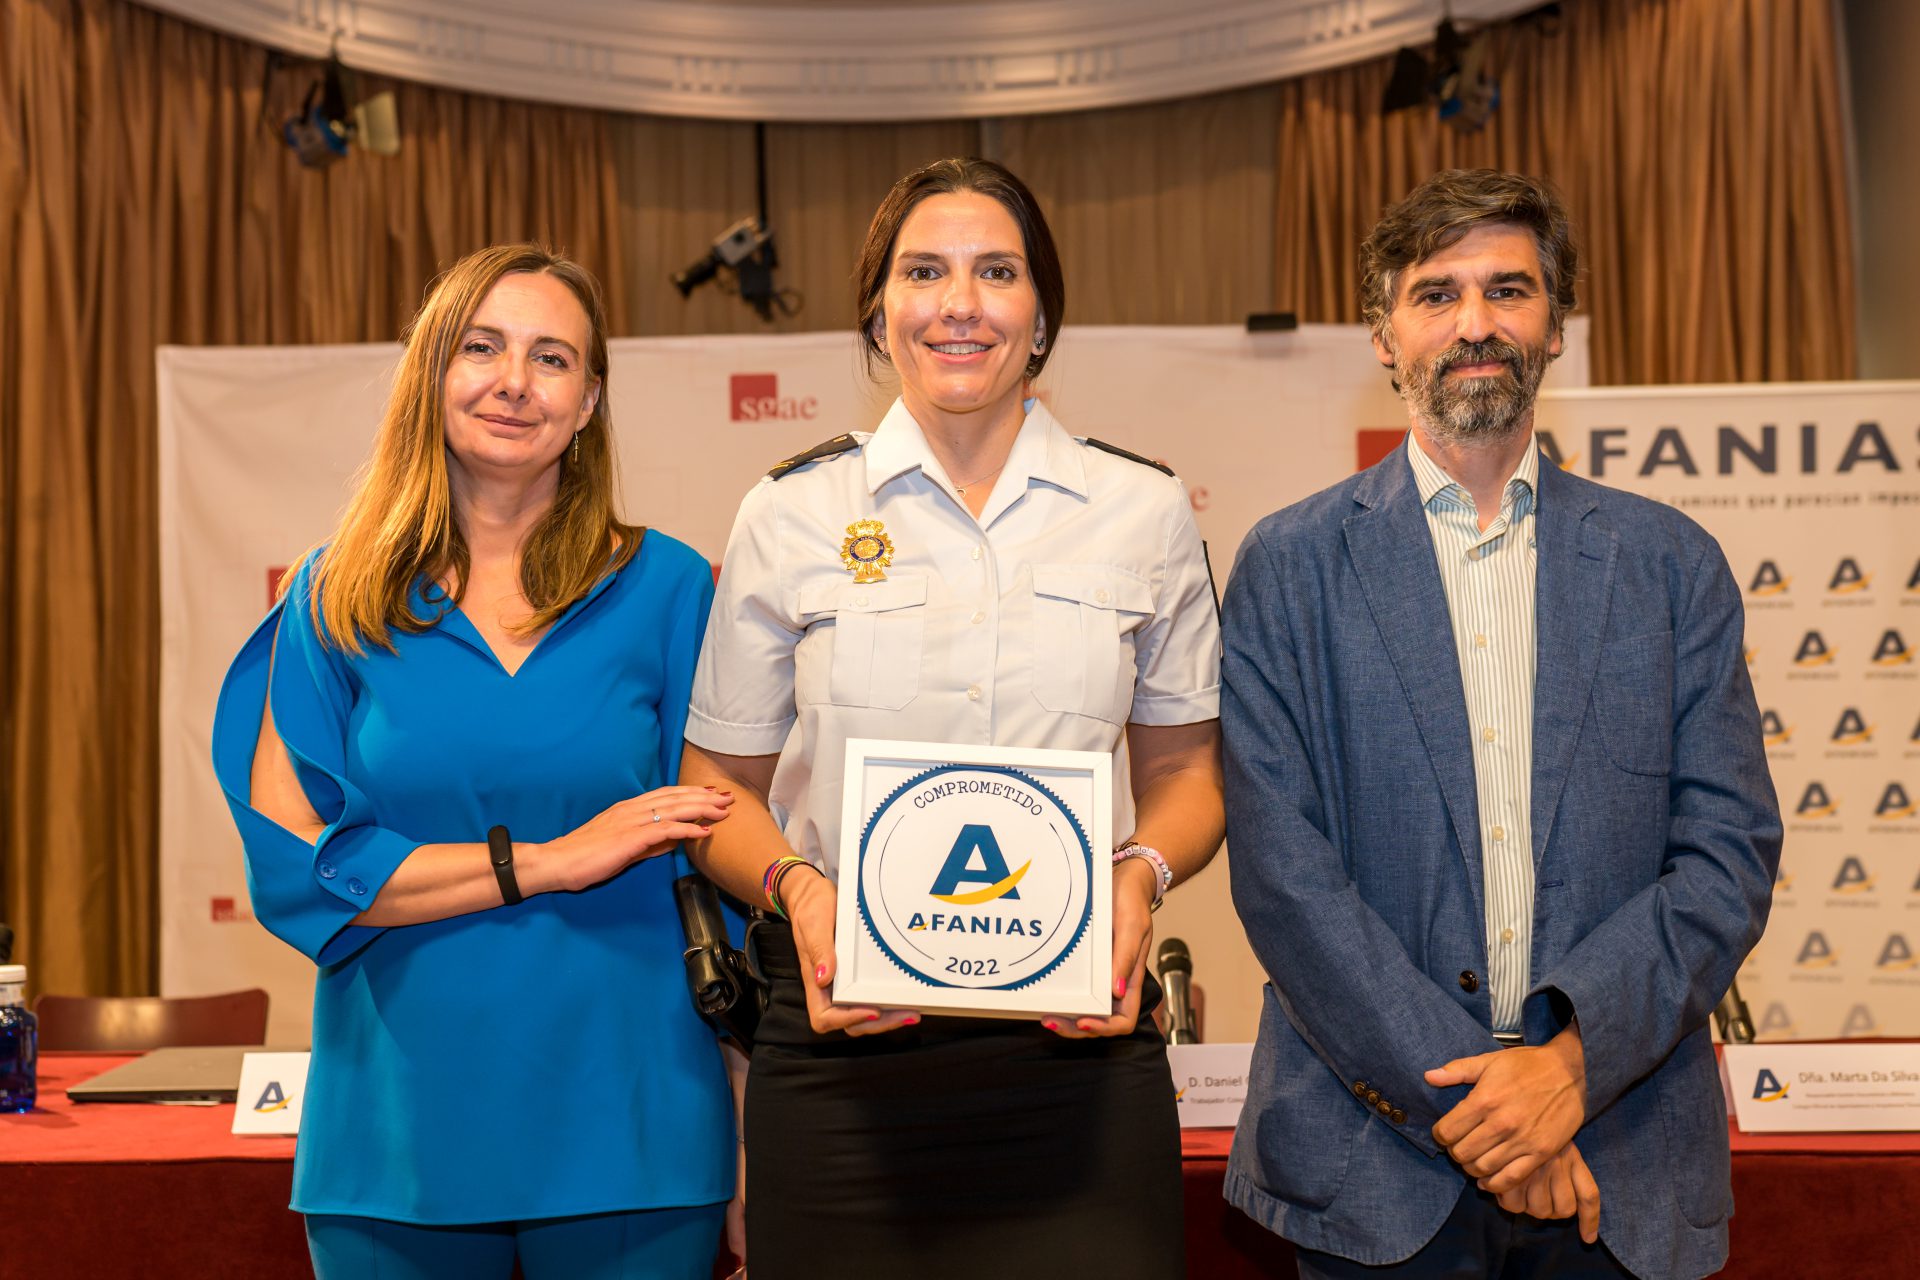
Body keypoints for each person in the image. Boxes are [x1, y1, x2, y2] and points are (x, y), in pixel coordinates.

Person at [1220, 169, 1781, 1280]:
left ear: (1556, 323)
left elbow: (1726, 857)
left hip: (1623, 1155)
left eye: (1508, 289)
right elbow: (1287, 875)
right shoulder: (1289, 565)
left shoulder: (1671, 566)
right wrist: (1497, 1111)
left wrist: (1569, 1067)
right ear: (1383, 333)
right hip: (1374, 1170)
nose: (1474, 323)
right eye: (1436, 294)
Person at [680, 157, 1224, 1279]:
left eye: (997, 271)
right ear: (881, 310)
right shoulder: (790, 513)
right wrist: (803, 891)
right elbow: (714, 789)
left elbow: (1189, 776)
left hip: (1078, 1051)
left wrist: (1136, 879)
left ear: (1042, 313)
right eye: (924, 271)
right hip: (839, 1049)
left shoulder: (1144, 508)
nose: (960, 302)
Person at [211, 243, 739, 1279]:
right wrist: (542, 858)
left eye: (552, 358)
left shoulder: (673, 588)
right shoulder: (333, 598)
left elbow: (722, 862)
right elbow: (302, 869)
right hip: (396, 1142)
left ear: (589, 401)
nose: (513, 380)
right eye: (482, 346)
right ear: (432, 374)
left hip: (637, 1127)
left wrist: (754, 1122)